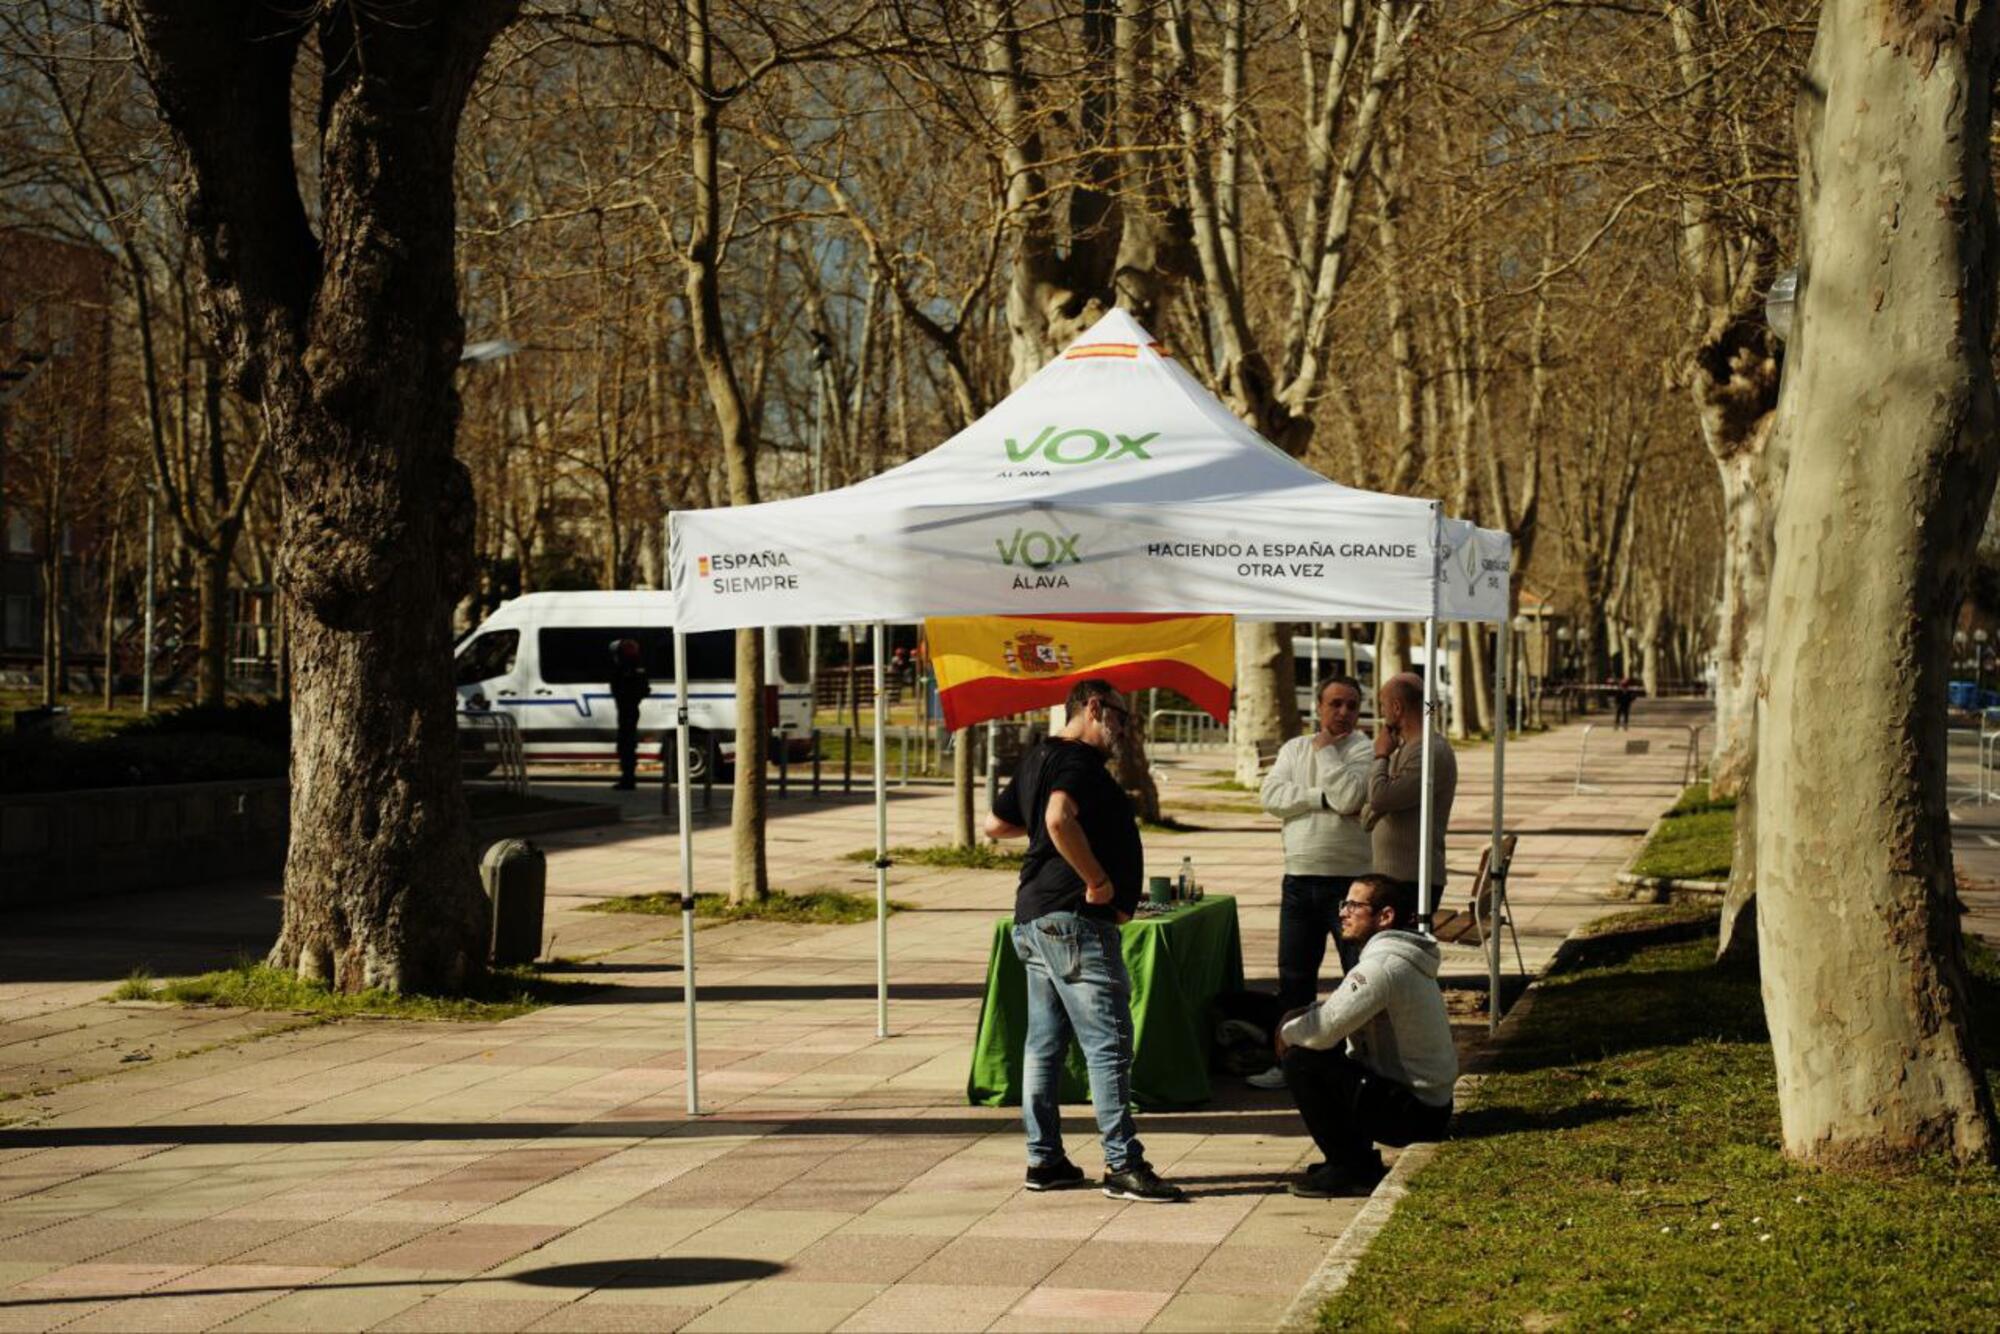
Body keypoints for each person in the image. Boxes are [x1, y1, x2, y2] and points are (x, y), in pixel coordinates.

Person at [982, 679, 1185, 1204]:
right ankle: (1123, 1164)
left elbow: (996, 825)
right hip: (1074, 920)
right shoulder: (1078, 762)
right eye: (1120, 717)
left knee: (1044, 1045)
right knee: (1109, 1042)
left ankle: (1045, 1159)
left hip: (1034, 917)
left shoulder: (1037, 759)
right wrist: (1096, 879)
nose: (1123, 729)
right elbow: (1056, 817)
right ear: (1093, 708)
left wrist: (1054, 845)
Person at [1276, 874, 1456, 1197]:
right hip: (1429, 1105)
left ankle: (1351, 1168)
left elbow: (1322, 1029)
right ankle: (1356, 1159)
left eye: (1354, 905)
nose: (1343, 912)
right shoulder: (1394, 955)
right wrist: (1299, 1019)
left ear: (1385, 917)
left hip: (1415, 1113)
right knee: (1315, 1044)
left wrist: (1284, 1033)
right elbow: (1338, 1011)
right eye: (1344, 904)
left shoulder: (1381, 966)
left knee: (1301, 1058)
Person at [1247, 674, 1375, 1091]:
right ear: (1317, 707)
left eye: (1352, 705)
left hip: (1347, 882)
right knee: (1295, 977)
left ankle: (1362, 1060)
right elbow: (1271, 797)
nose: (1343, 713)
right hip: (1299, 878)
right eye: (1335, 704)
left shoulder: (1364, 750)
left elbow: (1352, 799)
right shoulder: (1294, 748)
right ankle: (1290, 1061)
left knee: (1357, 974)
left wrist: (1328, 761)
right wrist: (1319, 797)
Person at [1362, 672, 1458, 923]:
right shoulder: (1408, 748)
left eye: (1383, 706)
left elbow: (1380, 798)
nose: (1382, 713)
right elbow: (1371, 811)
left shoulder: (1428, 751)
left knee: (1399, 952)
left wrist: (1381, 755)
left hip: (1411, 878)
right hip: (1394, 876)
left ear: (1396, 707)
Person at [609, 639, 650, 790]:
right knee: (627, 744)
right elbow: (645, 689)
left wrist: (626, 696)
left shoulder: (625, 668)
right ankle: (628, 778)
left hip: (627, 710)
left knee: (626, 745)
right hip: (631, 709)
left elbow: (619, 688)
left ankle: (628, 779)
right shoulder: (637, 667)